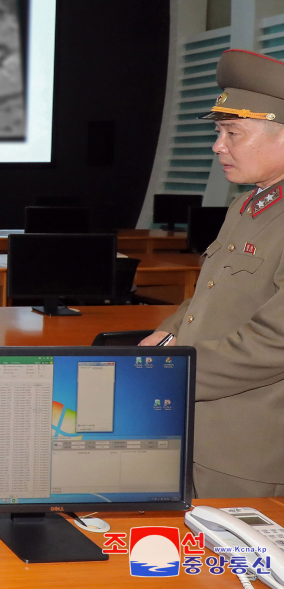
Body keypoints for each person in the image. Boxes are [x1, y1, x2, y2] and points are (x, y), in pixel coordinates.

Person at [140, 48, 284, 498]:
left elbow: (273, 343)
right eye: (219, 132)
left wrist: (172, 372)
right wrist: (166, 334)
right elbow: (211, 293)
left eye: (232, 133)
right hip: (199, 431)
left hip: (248, 452)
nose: (218, 145)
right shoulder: (249, 204)